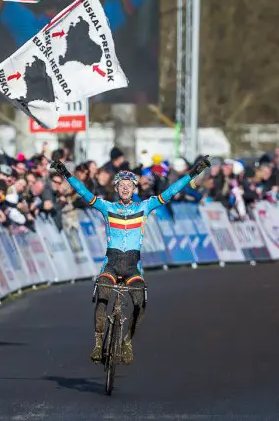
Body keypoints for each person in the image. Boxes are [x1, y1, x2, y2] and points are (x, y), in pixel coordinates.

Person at [51, 155, 211, 364]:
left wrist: (194, 173)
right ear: (116, 188)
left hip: (133, 266)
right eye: (121, 185)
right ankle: (98, 344)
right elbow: (83, 192)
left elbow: (171, 191)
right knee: (102, 294)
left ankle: (127, 341)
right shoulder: (107, 207)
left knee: (139, 304)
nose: (125, 188)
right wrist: (65, 174)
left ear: (134, 188)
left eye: (129, 185)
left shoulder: (143, 207)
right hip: (112, 263)